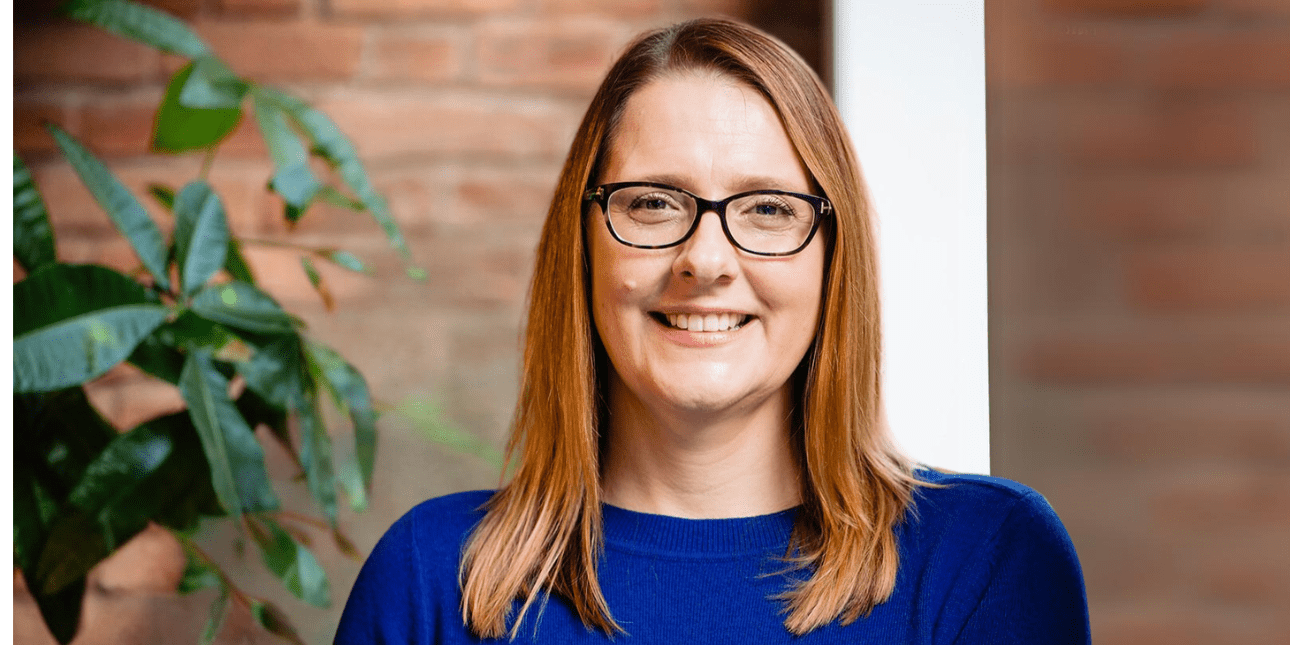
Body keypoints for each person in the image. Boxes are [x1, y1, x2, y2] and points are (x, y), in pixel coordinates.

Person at [335, 18, 1090, 644]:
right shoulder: (432, 578)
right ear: (584, 244)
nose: (705, 260)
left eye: (767, 209)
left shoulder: (986, 559)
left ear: (834, 259)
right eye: (654, 203)